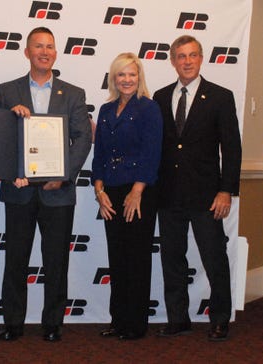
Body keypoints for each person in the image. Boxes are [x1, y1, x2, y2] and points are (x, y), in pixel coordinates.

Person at [0, 27, 92, 342]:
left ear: (55, 52)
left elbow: (82, 138)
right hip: (19, 189)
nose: (45, 51)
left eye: (50, 46)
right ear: (27, 51)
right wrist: (13, 168)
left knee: (56, 262)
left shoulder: (73, 93)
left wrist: (62, 176)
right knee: (16, 261)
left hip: (58, 192)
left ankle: (52, 323)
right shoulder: (7, 91)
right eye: (38, 46)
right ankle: (12, 322)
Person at [153, 35, 242, 342]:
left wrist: (226, 190)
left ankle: (219, 318)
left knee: (214, 258)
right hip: (168, 195)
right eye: (180, 56)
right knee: (172, 259)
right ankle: (178, 318)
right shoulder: (160, 97)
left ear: (201, 58)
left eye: (192, 55)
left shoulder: (220, 96)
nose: (187, 61)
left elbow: (232, 149)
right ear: (172, 60)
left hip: (208, 196)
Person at [92, 53, 162, 340]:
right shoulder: (106, 110)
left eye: (132, 74)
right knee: (118, 258)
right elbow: (100, 155)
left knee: (136, 258)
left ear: (139, 77)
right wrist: (99, 191)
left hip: (140, 191)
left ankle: (135, 324)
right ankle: (118, 320)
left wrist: (137, 191)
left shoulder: (149, 108)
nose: (127, 80)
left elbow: (152, 152)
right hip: (111, 191)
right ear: (114, 78)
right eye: (121, 75)